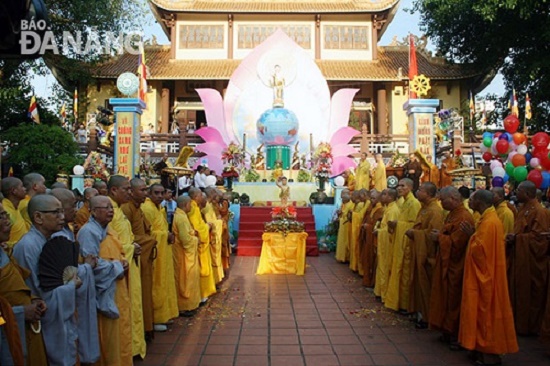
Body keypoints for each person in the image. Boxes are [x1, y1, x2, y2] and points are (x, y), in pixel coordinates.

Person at [13, 195, 99, 365]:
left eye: (62, 212)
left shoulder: (51, 239)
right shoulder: (27, 246)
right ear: (38, 217)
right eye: (56, 213)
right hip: (42, 319)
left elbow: (61, 276)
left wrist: (84, 270)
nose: (62, 217)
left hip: (59, 316)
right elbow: (38, 292)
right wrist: (71, 285)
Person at [458, 189, 518, 365]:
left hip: (487, 277)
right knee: (477, 311)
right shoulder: (485, 219)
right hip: (481, 275)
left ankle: (489, 351)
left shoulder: (491, 222)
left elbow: (482, 252)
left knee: (486, 313)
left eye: (472, 199)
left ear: (480, 202)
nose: (469, 202)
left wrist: (471, 237)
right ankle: (477, 347)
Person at [77, 196, 132, 365]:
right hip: (100, 290)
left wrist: (121, 259)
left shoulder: (106, 228)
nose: (110, 210)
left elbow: (115, 251)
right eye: (105, 207)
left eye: (111, 207)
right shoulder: (88, 232)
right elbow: (91, 263)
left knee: (116, 332)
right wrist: (116, 266)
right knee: (105, 335)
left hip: (113, 286)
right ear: (93, 212)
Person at [0, 202, 48, 365]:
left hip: (24, 330)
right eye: (1, 216)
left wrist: (32, 299)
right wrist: (19, 313)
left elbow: (18, 286)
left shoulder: (4, 252)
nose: (9, 221)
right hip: (7, 336)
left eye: (6, 215)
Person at [429, 186, 474, 349]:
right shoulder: (452, 214)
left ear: (454, 198)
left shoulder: (464, 216)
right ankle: (446, 331)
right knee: (446, 298)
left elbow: (457, 243)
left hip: (456, 265)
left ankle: (455, 334)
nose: (440, 202)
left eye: (443, 199)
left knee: (454, 299)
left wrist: (439, 237)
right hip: (447, 263)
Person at [107, 175, 146, 358]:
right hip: (119, 268)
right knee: (123, 308)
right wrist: (131, 248)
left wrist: (132, 246)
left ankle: (132, 347)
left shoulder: (118, 209)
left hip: (129, 263)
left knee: (131, 305)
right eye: (126, 189)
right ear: (114, 190)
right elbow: (109, 244)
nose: (129, 193)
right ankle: (125, 349)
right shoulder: (108, 210)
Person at [506, 180, 549, 335]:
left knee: (532, 294)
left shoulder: (539, 211)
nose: (516, 193)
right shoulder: (524, 208)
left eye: (518, 190)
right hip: (520, 258)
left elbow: (540, 239)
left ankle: (530, 327)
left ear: (528, 193)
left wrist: (518, 239)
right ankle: (519, 324)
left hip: (532, 262)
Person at [120, 178, 157, 337]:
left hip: (144, 256)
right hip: (136, 256)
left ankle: (146, 327)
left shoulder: (138, 208)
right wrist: (152, 240)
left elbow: (146, 229)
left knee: (145, 292)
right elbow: (129, 238)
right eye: (142, 190)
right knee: (137, 295)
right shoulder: (126, 209)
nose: (145, 193)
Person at [405, 182, 444, 328]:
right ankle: (419, 313)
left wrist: (415, 233)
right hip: (419, 252)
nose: (417, 191)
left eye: (420, 190)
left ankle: (428, 317)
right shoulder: (424, 208)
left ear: (428, 194)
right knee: (418, 283)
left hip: (428, 255)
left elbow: (433, 235)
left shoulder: (435, 211)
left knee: (427, 285)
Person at [141, 184, 179, 330]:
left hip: (163, 251)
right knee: (156, 283)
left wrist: (166, 235)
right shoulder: (147, 208)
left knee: (165, 280)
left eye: (162, 193)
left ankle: (165, 314)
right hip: (154, 252)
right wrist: (165, 235)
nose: (160, 196)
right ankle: (156, 317)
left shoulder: (159, 208)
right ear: (149, 194)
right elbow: (147, 234)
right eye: (156, 193)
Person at [385, 178, 421, 312]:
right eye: (398, 186)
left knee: (405, 273)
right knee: (400, 272)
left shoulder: (414, 203)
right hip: (401, 242)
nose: (399, 188)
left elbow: (414, 226)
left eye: (402, 186)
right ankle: (399, 302)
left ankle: (406, 304)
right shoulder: (405, 202)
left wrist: (397, 224)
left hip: (407, 244)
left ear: (410, 188)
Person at [172, 196, 201, 316]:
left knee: (187, 277)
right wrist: (195, 239)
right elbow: (186, 240)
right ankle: (184, 306)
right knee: (185, 278)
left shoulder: (182, 216)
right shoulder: (181, 218)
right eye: (190, 204)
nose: (191, 207)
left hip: (184, 252)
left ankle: (189, 304)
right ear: (186, 204)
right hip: (183, 254)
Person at [187, 187, 217, 304]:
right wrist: (207, 227)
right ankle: (201, 293)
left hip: (201, 241)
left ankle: (204, 292)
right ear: (195, 197)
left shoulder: (195, 207)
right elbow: (197, 227)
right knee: (201, 268)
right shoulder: (193, 208)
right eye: (200, 195)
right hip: (199, 241)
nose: (202, 197)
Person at [374, 189, 400, 301]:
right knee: (382, 266)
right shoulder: (388, 208)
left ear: (390, 197)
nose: (381, 196)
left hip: (388, 243)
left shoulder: (393, 210)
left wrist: (379, 231)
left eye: (384, 194)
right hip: (384, 243)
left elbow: (390, 229)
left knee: (385, 267)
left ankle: (385, 294)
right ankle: (380, 292)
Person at [361, 190, 384, 287]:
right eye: (371, 198)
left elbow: (377, 224)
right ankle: (368, 280)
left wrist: (369, 226)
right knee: (368, 259)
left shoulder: (380, 209)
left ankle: (372, 282)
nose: (371, 200)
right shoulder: (372, 207)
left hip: (375, 239)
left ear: (379, 198)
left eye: (374, 198)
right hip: (368, 237)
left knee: (373, 261)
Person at [203, 187, 225, 284]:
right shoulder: (206, 205)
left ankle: (217, 278)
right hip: (211, 235)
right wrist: (219, 222)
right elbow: (209, 222)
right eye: (214, 193)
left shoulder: (211, 205)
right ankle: (214, 280)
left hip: (214, 233)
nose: (216, 196)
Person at [2, 177, 28, 248]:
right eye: (22, 186)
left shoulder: (15, 207)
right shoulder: (6, 212)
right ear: (14, 190)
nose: (25, 189)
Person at [335, 191, 353, 263]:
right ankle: (341, 256)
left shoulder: (351, 204)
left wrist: (341, 213)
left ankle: (346, 257)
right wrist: (339, 213)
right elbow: (342, 213)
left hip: (347, 225)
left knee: (346, 241)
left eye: (343, 198)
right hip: (342, 224)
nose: (342, 200)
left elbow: (348, 215)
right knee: (341, 241)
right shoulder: (344, 204)